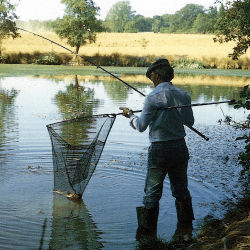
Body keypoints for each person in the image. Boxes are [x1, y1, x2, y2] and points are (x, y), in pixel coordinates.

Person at [120, 59, 195, 241]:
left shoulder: (152, 97)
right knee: (181, 190)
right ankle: (186, 231)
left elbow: (141, 126)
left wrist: (130, 116)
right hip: (179, 147)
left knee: (152, 193)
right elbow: (189, 122)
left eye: (151, 76)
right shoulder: (183, 95)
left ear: (158, 75)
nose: (150, 79)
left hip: (160, 149)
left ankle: (146, 234)